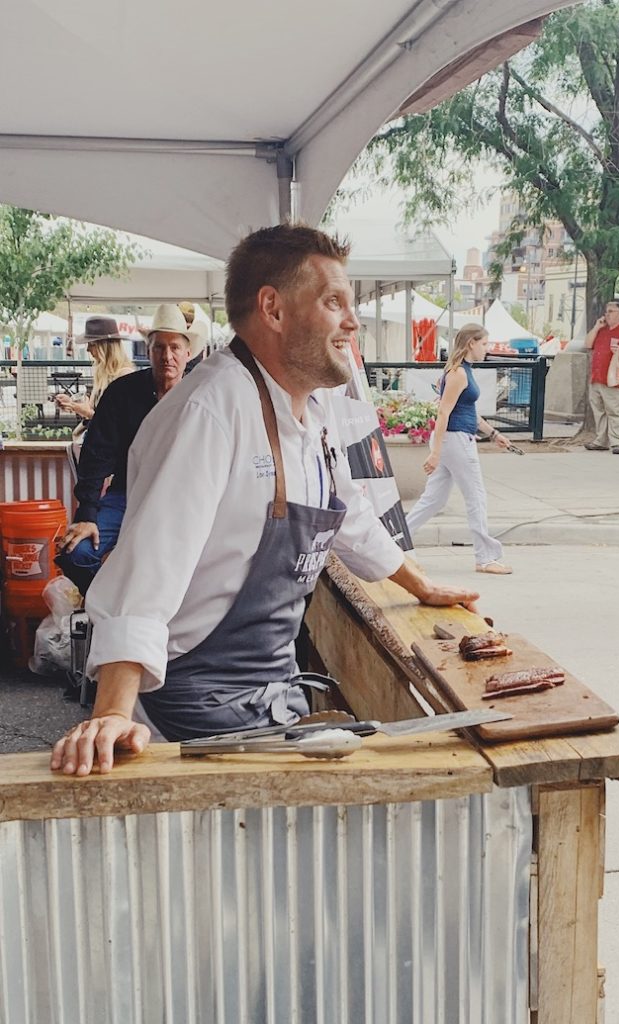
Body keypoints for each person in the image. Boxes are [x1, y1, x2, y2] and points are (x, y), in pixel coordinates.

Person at [50, 225, 479, 775]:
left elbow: (349, 517)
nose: (352, 321)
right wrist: (111, 712)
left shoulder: (312, 411)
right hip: (191, 719)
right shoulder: (211, 410)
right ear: (272, 309)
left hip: (268, 699)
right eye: (333, 302)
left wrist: (422, 586)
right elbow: (144, 572)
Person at [55, 304, 197, 595]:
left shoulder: (202, 394)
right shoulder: (122, 391)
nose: (167, 356)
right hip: (126, 495)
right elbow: (96, 457)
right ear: (148, 350)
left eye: (174, 348)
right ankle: (116, 603)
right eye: (159, 347)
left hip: (184, 500)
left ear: (188, 353)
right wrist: (87, 515)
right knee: (77, 554)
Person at [405, 323, 514, 575]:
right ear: (471, 344)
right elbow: (443, 412)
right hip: (455, 441)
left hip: (452, 440)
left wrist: (494, 434)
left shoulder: (462, 371)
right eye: (484, 344)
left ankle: (394, 542)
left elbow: (468, 412)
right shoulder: (458, 374)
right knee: (476, 497)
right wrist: (435, 452)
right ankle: (485, 558)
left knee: (433, 500)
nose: (487, 349)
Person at [54, 316, 134, 434]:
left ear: (105, 347)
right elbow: (92, 410)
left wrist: (85, 412)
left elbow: (121, 422)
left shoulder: (125, 376)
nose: (87, 349)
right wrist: (71, 403)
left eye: (91, 344)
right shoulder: (102, 373)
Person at [582, 299, 619, 454]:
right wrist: (596, 327)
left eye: (611, 311)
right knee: (599, 410)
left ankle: (616, 441)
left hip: (615, 379)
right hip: (597, 377)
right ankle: (601, 439)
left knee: (615, 411)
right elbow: (588, 344)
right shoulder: (601, 331)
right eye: (606, 311)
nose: (607, 314)